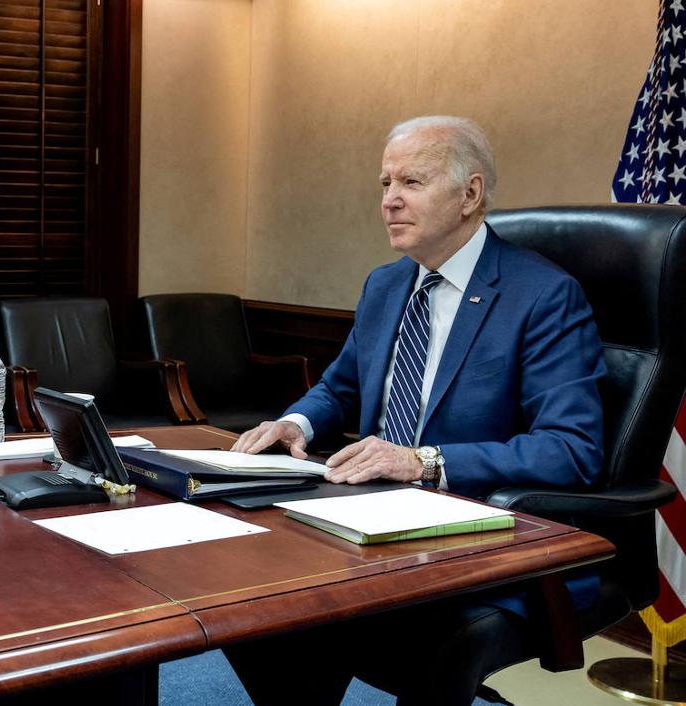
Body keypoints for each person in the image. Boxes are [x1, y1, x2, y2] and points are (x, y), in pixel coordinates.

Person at [222, 116, 606, 706]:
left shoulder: (543, 295)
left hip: (476, 533)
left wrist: (423, 462)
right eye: (385, 183)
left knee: (304, 608)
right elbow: (339, 387)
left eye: (412, 182)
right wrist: (293, 423)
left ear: (470, 194)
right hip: (367, 516)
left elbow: (571, 449)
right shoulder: (386, 285)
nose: (390, 200)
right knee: (246, 584)